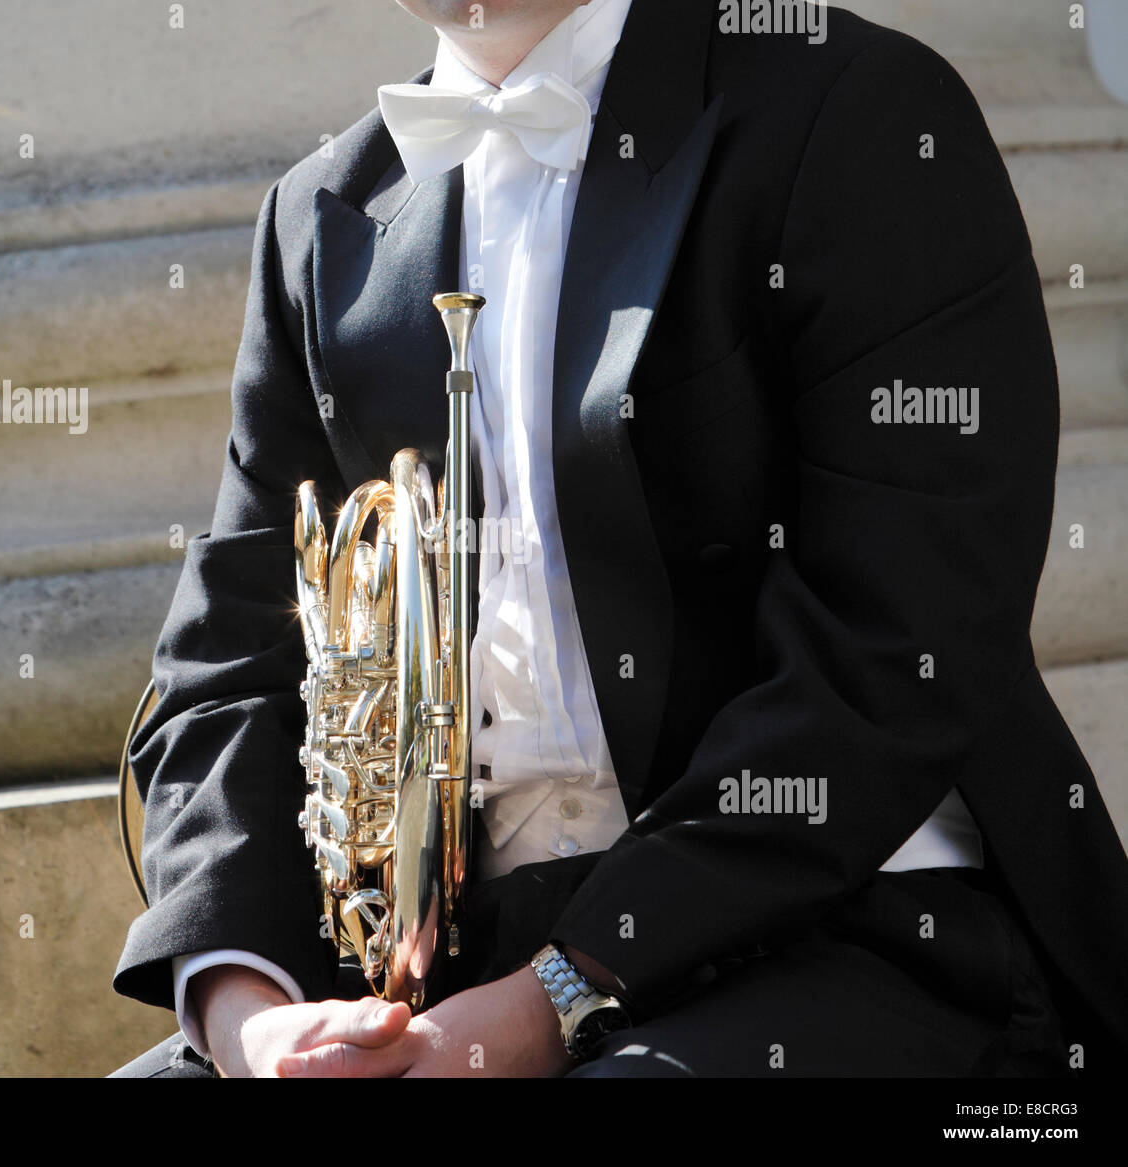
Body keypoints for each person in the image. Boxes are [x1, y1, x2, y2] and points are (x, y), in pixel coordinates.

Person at [111, 0, 1128, 1078]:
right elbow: (227, 673)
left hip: (844, 928)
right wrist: (246, 1014)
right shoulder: (321, 217)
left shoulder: (855, 110)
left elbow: (901, 645)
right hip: (451, 975)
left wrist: (555, 992)